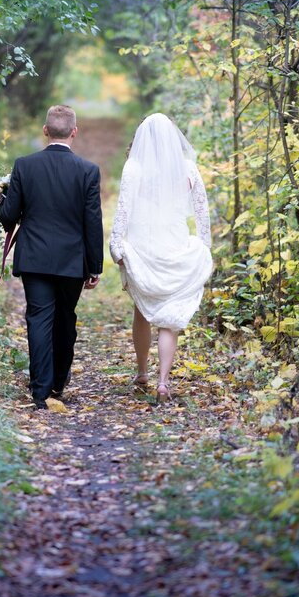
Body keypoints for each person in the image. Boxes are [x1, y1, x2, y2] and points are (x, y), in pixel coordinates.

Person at [0, 104, 103, 409]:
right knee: (64, 319)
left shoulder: (24, 166)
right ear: (74, 132)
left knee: (38, 318)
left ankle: (40, 389)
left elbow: (9, 217)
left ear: (45, 131)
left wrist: (0, 202)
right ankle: (58, 381)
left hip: (34, 258)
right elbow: (92, 222)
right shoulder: (88, 171)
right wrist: (94, 267)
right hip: (72, 261)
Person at [109, 113, 212, 403]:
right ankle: (163, 381)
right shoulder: (188, 168)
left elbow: (124, 209)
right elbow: (202, 209)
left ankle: (142, 371)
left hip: (143, 248)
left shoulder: (134, 168)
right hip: (175, 245)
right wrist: (205, 245)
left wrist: (116, 245)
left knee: (142, 310)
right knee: (170, 318)